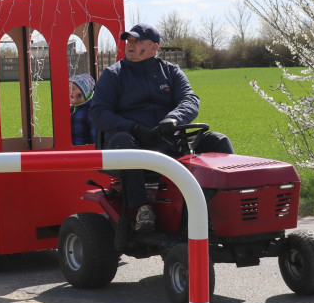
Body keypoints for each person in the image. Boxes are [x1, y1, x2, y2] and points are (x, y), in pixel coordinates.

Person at [90, 23, 232, 232]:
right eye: (129, 40)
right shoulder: (113, 75)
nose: (131, 44)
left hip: (169, 140)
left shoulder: (171, 72)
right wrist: (134, 127)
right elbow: (99, 112)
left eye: (137, 41)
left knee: (218, 141)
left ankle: (223, 204)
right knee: (123, 141)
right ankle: (141, 209)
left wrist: (174, 119)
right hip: (132, 142)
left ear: (154, 47)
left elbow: (190, 99)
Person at [69, 73, 95, 146]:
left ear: (85, 93)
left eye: (73, 89)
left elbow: (95, 140)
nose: (69, 92)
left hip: (81, 154)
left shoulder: (90, 111)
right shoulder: (71, 109)